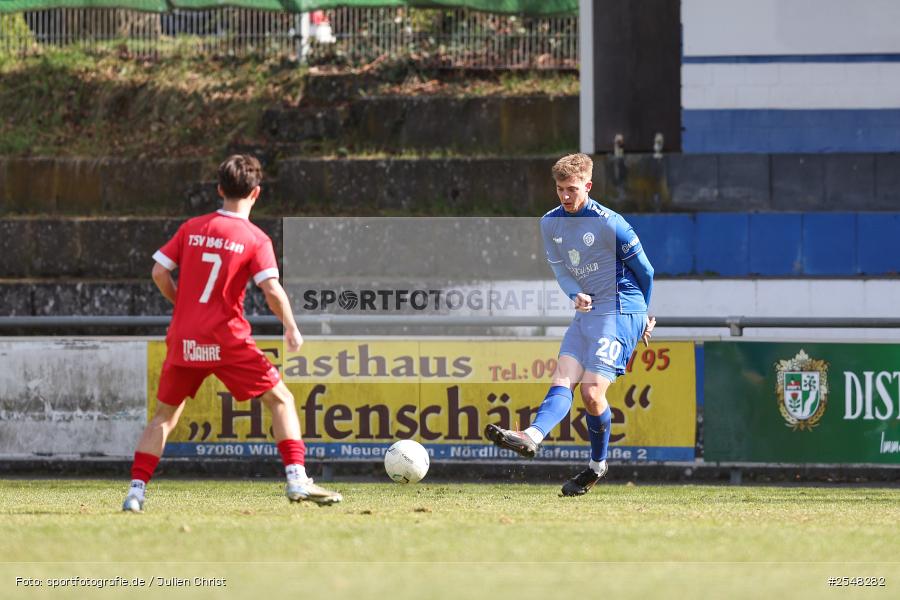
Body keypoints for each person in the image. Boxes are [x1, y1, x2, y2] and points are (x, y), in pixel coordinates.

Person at [122, 155, 341, 512]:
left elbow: (159, 273)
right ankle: (297, 479)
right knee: (281, 400)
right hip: (227, 339)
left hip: (186, 337)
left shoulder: (193, 227)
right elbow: (271, 289)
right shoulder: (255, 238)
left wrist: (183, 305)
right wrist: (291, 325)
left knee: (164, 417)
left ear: (220, 189)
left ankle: (135, 492)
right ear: (256, 193)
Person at [485, 153, 655, 497]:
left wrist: (642, 318)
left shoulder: (611, 223)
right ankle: (531, 436)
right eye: (560, 189)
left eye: (572, 189)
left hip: (621, 309)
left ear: (588, 186)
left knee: (592, 394)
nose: (565, 196)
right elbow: (562, 270)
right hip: (588, 311)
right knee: (563, 378)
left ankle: (596, 465)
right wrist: (575, 293)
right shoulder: (550, 223)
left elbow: (646, 271)